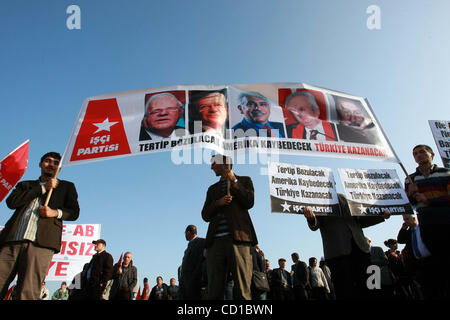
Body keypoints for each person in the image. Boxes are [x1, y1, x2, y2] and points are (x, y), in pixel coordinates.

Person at [0, 152, 80, 300]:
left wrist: (55, 212)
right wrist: (43, 188)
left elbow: (74, 212)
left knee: (28, 291)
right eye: (47, 161)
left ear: (59, 168)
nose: (51, 165)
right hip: (12, 240)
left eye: (56, 163)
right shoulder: (26, 185)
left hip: (41, 244)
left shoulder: (67, 187)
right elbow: (11, 202)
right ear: (40, 164)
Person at [303, 193, 390, 300]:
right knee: (346, 291)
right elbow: (315, 225)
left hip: (360, 249)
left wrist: (381, 216)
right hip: (338, 253)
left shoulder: (345, 197)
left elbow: (360, 220)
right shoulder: (317, 200)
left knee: (370, 287)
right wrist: (311, 219)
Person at [201, 154, 258, 300]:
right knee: (214, 291)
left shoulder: (245, 180)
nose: (211, 167)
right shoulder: (212, 189)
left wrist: (233, 180)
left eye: (214, 163)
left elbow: (249, 202)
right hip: (215, 244)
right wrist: (217, 203)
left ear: (224, 162)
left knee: (243, 290)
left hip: (239, 241)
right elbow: (205, 215)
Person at [405, 144, 450, 298]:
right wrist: (410, 195)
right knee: (437, 267)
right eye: (415, 153)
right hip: (427, 225)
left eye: (422, 152)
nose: (418, 155)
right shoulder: (410, 179)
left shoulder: (446, 172)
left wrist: (430, 200)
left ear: (431, 154)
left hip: (446, 221)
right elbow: (410, 203)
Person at [397, 214, 430, 299]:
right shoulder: (408, 232)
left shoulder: (423, 227)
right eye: (404, 220)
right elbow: (400, 240)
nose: (405, 222)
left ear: (414, 218)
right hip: (416, 263)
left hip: (429, 260)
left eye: (407, 219)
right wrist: (403, 228)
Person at [179, 224, 206, 300]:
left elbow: (201, 262)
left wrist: (194, 278)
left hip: (194, 282)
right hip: (186, 284)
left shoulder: (201, 242)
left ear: (188, 233)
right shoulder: (189, 247)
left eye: (185, 233)